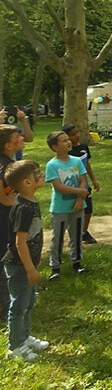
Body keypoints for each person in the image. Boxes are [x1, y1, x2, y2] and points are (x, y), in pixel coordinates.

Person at [2, 160, 49, 362]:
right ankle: (16, 346)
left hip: (28, 263)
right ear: (27, 183)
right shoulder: (23, 208)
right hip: (19, 265)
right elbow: (20, 242)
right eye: (37, 173)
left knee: (28, 303)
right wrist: (30, 269)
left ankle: (25, 337)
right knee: (18, 305)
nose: (41, 174)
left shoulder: (31, 202)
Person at [45, 130, 89, 280]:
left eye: (67, 139)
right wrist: (81, 192)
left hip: (77, 206)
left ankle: (77, 262)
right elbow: (59, 187)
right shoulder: (52, 165)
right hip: (60, 208)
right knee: (57, 237)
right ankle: (55, 267)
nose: (68, 142)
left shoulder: (76, 161)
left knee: (76, 235)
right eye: (63, 141)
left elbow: (83, 179)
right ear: (55, 147)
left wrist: (79, 198)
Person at [0, 125, 26, 321]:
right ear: (8, 144)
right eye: (18, 136)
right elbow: (5, 199)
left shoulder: (9, 162)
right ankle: (5, 303)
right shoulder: (5, 167)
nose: (22, 138)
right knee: (5, 258)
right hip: (4, 219)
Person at [62, 125, 100, 245]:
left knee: (88, 210)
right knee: (73, 211)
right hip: (72, 185)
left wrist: (93, 180)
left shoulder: (83, 147)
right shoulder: (67, 152)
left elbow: (87, 163)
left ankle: (84, 232)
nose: (77, 135)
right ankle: (72, 235)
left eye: (77, 132)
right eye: (73, 134)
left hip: (85, 184)